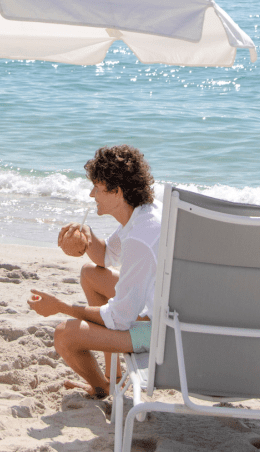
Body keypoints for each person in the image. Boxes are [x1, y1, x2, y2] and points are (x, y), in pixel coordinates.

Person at [27, 145, 161, 398]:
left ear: (117, 191)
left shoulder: (140, 239)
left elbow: (120, 318)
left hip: (158, 334)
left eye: (98, 188)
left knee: (65, 334)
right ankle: (114, 376)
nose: (91, 194)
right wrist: (86, 235)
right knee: (91, 273)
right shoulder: (145, 215)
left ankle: (102, 387)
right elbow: (107, 256)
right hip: (164, 309)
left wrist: (60, 306)